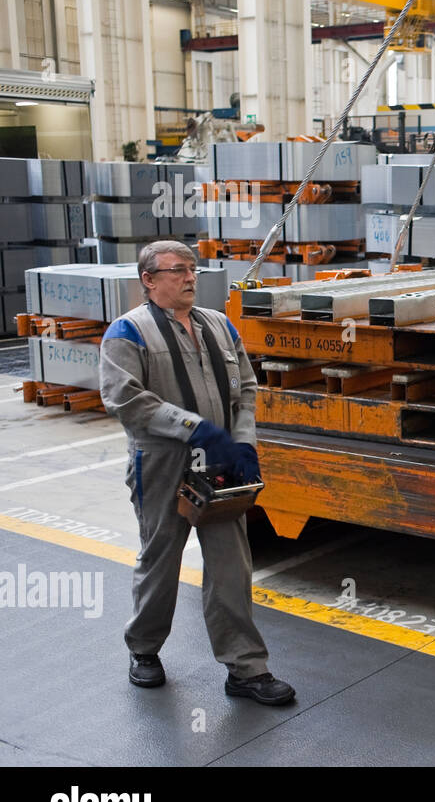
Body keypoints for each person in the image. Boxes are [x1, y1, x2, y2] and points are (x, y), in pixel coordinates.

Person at [99, 240, 295, 706]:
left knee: (231, 564)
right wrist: (194, 428)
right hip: (162, 462)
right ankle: (144, 650)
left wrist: (242, 440)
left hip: (223, 461)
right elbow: (125, 400)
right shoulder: (128, 332)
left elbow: (246, 387)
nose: (190, 277)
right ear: (149, 280)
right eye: (177, 270)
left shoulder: (220, 325)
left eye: (193, 268)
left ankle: (246, 668)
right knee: (160, 559)